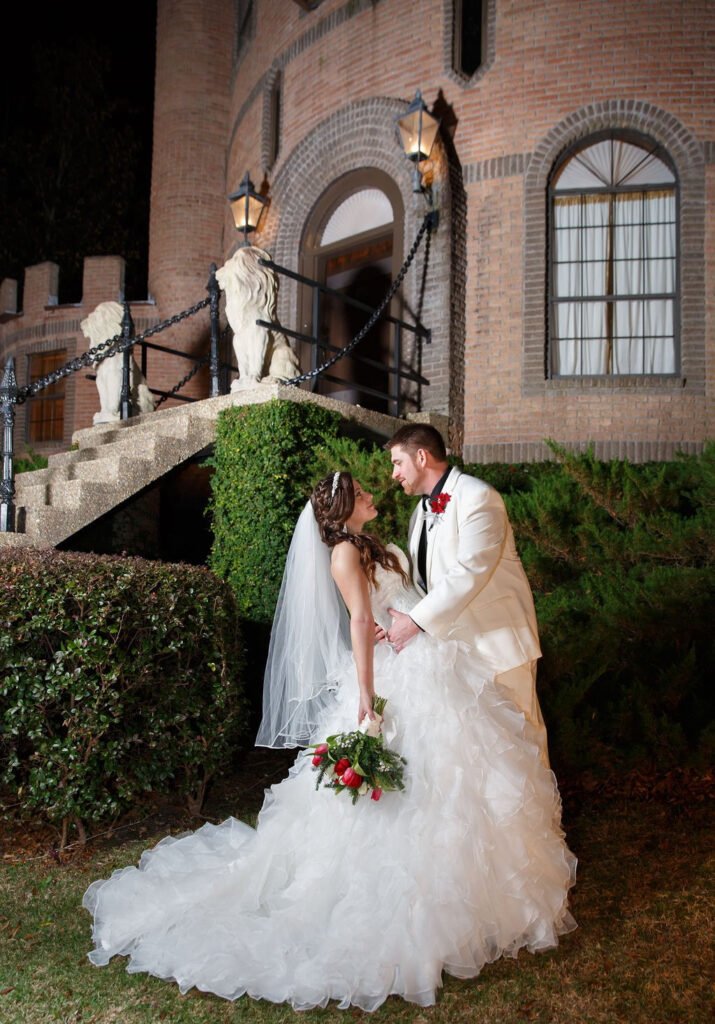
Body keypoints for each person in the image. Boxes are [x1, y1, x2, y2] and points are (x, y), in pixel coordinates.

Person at [82, 471, 576, 1013]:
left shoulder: (372, 544)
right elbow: (360, 620)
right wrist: (367, 692)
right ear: (341, 509)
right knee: (413, 785)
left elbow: (399, 602)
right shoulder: (343, 553)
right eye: (360, 494)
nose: (371, 495)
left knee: (456, 772)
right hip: (393, 672)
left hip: (428, 657)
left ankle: (481, 892)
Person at [385, 423, 550, 764]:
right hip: (456, 652)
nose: (394, 474)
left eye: (398, 463)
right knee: (481, 758)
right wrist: (389, 619)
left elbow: (472, 569)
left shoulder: (478, 496)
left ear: (421, 457)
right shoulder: (419, 514)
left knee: (522, 743)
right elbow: (423, 583)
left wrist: (414, 622)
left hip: (498, 646)